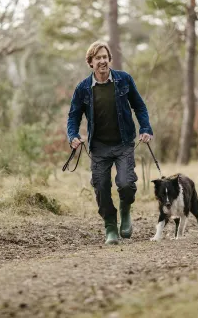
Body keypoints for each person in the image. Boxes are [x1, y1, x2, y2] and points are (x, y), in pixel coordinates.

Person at [67, 40, 153, 245]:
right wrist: (73, 136)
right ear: (91, 63)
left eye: (105, 57)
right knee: (101, 187)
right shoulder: (83, 88)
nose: (103, 61)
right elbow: (73, 116)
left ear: (109, 59)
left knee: (126, 183)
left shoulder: (124, 80)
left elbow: (140, 107)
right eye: (98, 58)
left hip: (123, 143)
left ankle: (125, 211)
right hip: (99, 147)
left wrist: (145, 128)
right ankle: (110, 227)